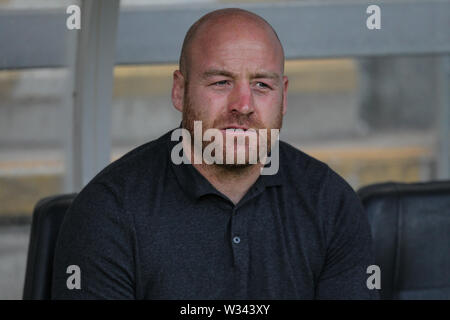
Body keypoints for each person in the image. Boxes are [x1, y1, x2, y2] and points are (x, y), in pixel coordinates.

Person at [52, 8, 379, 299]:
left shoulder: (330, 203)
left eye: (262, 85)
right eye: (222, 82)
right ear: (179, 91)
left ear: (284, 96)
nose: (243, 105)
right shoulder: (108, 211)